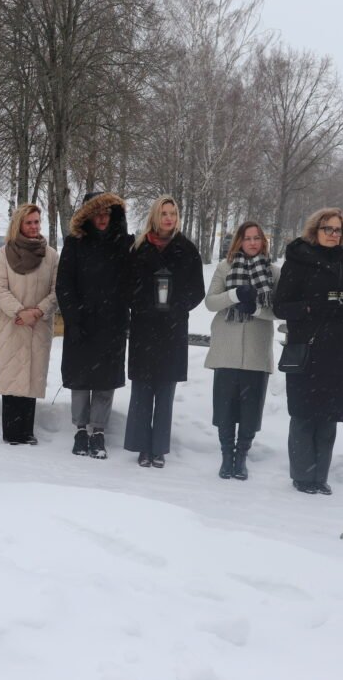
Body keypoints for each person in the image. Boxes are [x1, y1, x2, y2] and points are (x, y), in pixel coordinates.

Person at [272, 207, 343, 495]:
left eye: (338, 230)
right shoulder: (298, 261)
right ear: (315, 230)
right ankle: (302, 476)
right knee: (304, 414)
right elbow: (280, 307)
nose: (333, 234)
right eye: (328, 228)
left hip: (339, 349)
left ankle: (320, 476)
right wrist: (312, 306)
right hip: (308, 346)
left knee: (329, 415)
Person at [124, 196, 205, 468]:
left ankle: (158, 447)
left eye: (173, 213)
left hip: (172, 329)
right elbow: (127, 287)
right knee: (142, 390)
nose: (169, 218)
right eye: (164, 213)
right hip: (144, 328)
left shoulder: (187, 249)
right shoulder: (139, 248)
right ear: (155, 217)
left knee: (165, 391)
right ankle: (141, 446)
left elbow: (197, 290)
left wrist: (175, 306)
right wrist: (144, 303)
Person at [56, 192, 133, 459]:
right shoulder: (75, 243)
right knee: (80, 380)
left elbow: (130, 282)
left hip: (112, 323)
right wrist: (73, 319)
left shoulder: (123, 244)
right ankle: (80, 429)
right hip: (81, 322)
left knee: (105, 380)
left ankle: (98, 430)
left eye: (107, 214)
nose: (102, 219)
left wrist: (123, 316)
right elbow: (64, 284)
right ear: (88, 216)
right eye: (97, 213)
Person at [204, 222, 278, 480]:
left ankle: (242, 457)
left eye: (257, 238)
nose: (253, 242)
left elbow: (279, 310)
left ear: (263, 242)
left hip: (257, 350)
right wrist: (235, 295)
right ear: (239, 241)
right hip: (227, 349)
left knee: (250, 411)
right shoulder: (224, 268)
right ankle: (227, 456)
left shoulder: (273, 272)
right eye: (248, 238)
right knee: (225, 409)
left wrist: (256, 309)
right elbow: (210, 302)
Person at [0, 203, 59, 445]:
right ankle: (11, 432)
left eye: (37, 222)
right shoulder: (4, 254)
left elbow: (56, 290)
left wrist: (38, 311)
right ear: (19, 224)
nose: (34, 226)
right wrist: (20, 311)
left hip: (38, 325)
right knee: (12, 377)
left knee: (31, 377)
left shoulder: (51, 255)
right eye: (29, 222)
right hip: (12, 324)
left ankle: (27, 430)